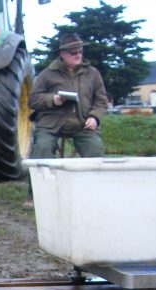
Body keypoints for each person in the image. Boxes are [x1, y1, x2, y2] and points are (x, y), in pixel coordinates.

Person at [24, 32, 109, 207]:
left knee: (95, 150)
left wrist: (95, 117)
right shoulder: (47, 74)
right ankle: (35, 195)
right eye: (74, 53)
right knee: (41, 148)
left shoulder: (92, 73)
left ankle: (94, 192)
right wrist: (52, 99)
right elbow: (32, 100)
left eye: (80, 52)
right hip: (51, 124)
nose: (78, 55)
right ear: (62, 54)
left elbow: (101, 101)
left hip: (82, 123)